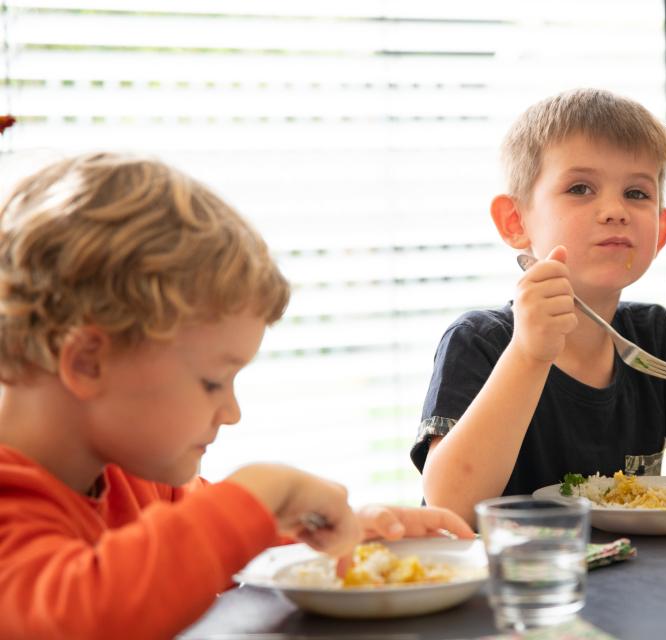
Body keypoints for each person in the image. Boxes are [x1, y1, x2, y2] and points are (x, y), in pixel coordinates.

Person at [0, 153, 472, 640]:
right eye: (212, 382)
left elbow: (202, 550)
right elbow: (83, 613)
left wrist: (344, 527)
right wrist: (261, 490)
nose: (231, 413)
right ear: (87, 363)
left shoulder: (135, 478)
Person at [411, 88, 666, 523]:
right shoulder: (480, 341)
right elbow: (450, 507)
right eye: (581, 188)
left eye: (637, 193)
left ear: (661, 231)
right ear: (516, 222)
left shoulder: (651, 336)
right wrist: (529, 355)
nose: (614, 210)